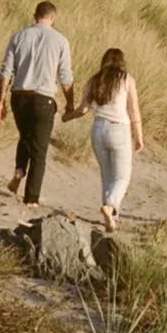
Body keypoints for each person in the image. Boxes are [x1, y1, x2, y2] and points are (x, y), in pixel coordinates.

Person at [0, 0, 73, 213]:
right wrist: (70, 102)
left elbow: (5, 72)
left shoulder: (18, 36)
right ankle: (31, 198)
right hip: (43, 98)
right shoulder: (60, 41)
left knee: (25, 137)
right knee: (39, 150)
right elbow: (65, 77)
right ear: (53, 17)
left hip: (19, 96)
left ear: (35, 14)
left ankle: (19, 170)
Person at [69, 46, 143, 232]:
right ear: (122, 62)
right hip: (119, 129)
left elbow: (83, 109)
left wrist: (66, 117)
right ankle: (110, 207)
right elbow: (133, 110)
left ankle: (110, 219)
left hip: (98, 128)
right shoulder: (126, 79)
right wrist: (139, 136)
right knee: (122, 177)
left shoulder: (95, 80)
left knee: (107, 176)